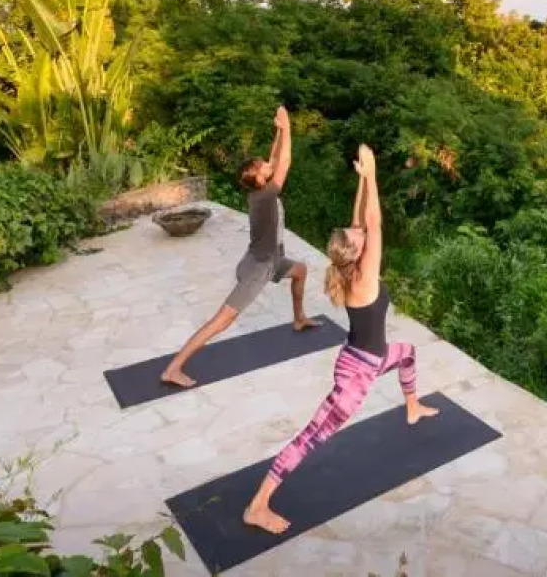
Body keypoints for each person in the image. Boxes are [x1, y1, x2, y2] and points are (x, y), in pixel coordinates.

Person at [243, 144, 438, 534]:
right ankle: (258, 505)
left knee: (408, 352)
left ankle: (412, 406)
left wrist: (362, 181)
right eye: (358, 234)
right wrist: (374, 173)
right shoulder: (364, 278)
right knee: (310, 438)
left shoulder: (349, 265)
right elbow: (374, 223)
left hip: (366, 357)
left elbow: (360, 220)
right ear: (358, 249)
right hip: (355, 378)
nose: (360, 230)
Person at [160, 106, 319, 387]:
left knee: (300, 271)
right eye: (263, 167)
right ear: (259, 179)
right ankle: (173, 368)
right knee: (222, 321)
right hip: (258, 269)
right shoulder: (266, 195)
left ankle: (299, 318)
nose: (268, 165)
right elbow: (284, 161)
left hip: (266, 259)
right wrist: (288, 127)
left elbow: (275, 158)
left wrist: (279, 131)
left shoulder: (259, 191)